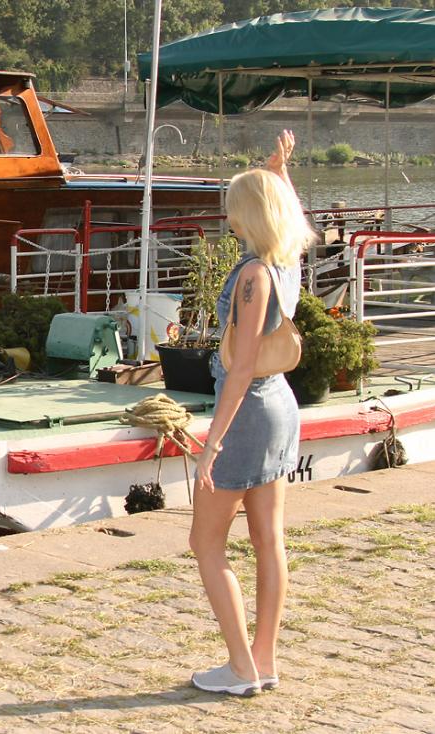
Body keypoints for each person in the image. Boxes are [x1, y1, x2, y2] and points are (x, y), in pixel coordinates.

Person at [189, 130, 317, 696]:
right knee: (268, 538)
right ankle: (263, 660)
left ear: (246, 216)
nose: (228, 218)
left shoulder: (252, 275)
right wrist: (278, 172)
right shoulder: (285, 262)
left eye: (233, 209)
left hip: (247, 411)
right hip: (281, 404)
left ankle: (240, 668)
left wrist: (211, 443)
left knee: (205, 543)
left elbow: (239, 369)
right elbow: (291, 218)